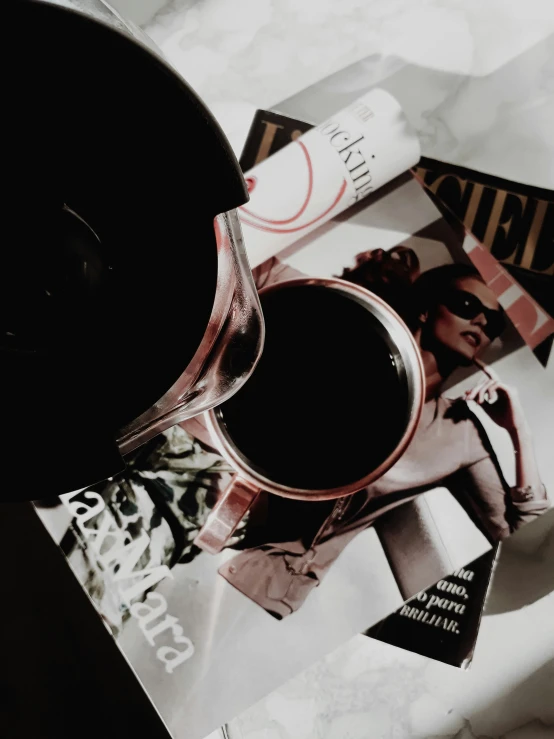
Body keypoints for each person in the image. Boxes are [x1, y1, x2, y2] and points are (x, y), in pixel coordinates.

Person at [210, 254, 550, 619]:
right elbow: (253, 272)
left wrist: (519, 434)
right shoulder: (354, 339)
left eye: (494, 323)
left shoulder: (459, 434)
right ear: (425, 309)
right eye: (467, 305)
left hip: (266, 593)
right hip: (202, 507)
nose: (481, 322)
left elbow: (527, 543)